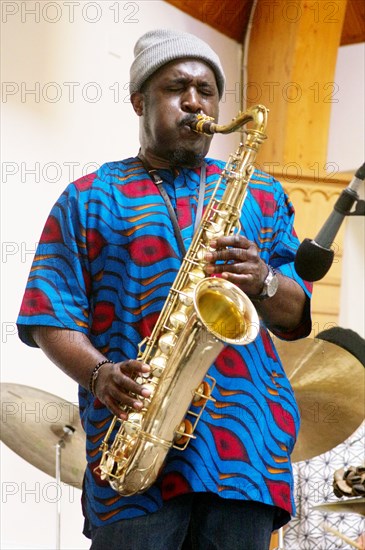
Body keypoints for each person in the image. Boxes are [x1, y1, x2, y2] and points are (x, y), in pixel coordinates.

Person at [17, 29, 312, 550]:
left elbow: (296, 315)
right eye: (178, 87)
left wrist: (265, 279)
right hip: (133, 450)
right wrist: (99, 373)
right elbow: (49, 313)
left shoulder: (261, 192)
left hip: (246, 454)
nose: (196, 101)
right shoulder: (88, 196)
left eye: (207, 90)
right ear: (139, 100)